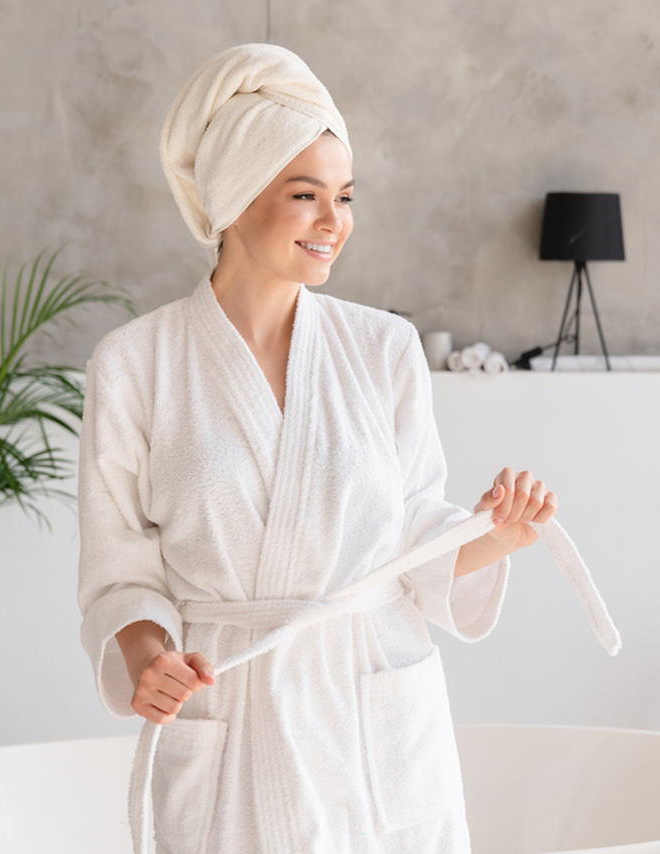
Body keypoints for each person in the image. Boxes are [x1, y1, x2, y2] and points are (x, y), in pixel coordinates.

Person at [76, 43, 558, 853]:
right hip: (228, 708)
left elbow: (408, 533)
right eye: (306, 196)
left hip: (370, 707)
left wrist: (490, 536)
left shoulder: (385, 348)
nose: (336, 222)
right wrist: (149, 657)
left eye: (345, 196)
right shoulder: (135, 363)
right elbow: (120, 568)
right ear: (234, 199)